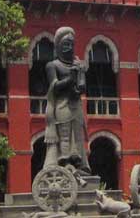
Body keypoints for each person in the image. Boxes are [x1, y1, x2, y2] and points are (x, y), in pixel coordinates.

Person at [43, 26, 91, 174]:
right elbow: (55, 87)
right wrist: (71, 78)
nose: (69, 47)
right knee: (64, 136)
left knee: (77, 137)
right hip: (62, 105)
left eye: (71, 44)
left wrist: (80, 74)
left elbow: (82, 89)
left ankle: (79, 165)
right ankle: (64, 164)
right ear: (58, 46)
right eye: (65, 44)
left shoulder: (77, 65)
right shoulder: (52, 65)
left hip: (76, 105)